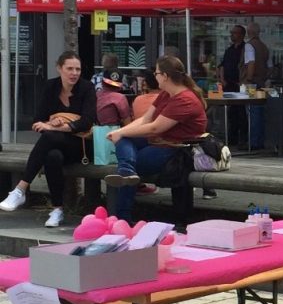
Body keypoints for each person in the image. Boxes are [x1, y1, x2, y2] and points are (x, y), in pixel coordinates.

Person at [0, 52, 97, 228]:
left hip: (82, 147)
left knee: (51, 135)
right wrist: (51, 122)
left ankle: (21, 188)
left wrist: (53, 127)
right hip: (57, 145)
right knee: (52, 156)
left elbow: (86, 122)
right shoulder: (51, 87)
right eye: (70, 68)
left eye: (78, 69)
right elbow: (37, 121)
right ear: (59, 68)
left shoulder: (87, 88)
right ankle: (57, 210)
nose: (74, 73)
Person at [104, 55, 207, 221]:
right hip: (160, 140)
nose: (155, 76)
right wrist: (121, 132)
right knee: (125, 141)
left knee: (127, 155)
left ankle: (122, 216)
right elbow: (145, 119)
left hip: (176, 149)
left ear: (165, 76)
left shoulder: (185, 99)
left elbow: (155, 127)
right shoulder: (166, 93)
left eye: (157, 73)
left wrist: (121, 132)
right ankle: (126, 170)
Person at [218, 24, 255, 148]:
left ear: (242, 35)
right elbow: (222, 65)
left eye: (235, 33)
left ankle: (242, 138)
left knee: (241, 112)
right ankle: (232, 137)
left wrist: (246, 80)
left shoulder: (245, 48)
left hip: (239, 84)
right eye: (231, 33)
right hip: (228, 84)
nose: (232, 35)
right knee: (231, 112)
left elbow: (250, 64)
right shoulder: (229, 50)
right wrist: (222, 79)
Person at [246, 22, 270, 87]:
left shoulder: (249, 45)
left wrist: (248, 80)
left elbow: (251, 63)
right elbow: (270, 66)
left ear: (248, 32)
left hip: (251, 82)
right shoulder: (264, 46)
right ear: (259, 32)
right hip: (262, 81)